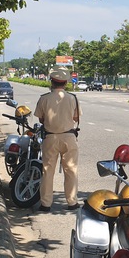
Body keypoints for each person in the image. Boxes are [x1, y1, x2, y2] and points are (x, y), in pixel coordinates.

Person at [34, 66, 82, 212]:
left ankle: (46, 204)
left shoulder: (44, 98)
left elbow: (41, 119)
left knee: (48, 171)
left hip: (50, 138)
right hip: (69, 137)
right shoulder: (72, 98)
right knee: (71, 170)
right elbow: (75, 118)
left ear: (52, 82)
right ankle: (72, 202)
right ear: (66, 82)